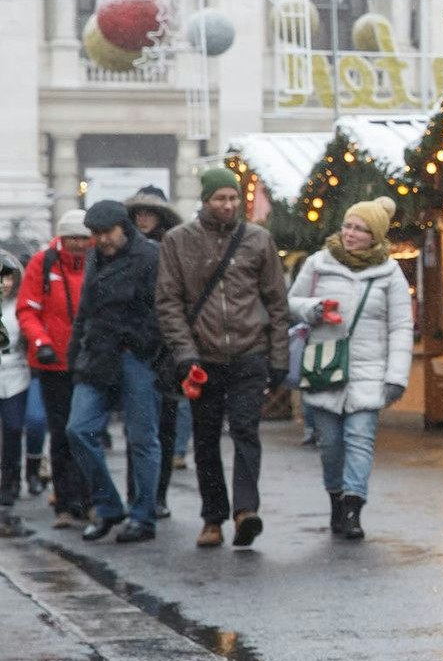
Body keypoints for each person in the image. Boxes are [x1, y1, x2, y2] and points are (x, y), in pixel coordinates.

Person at [156, 167, 292, 550]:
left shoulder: (258, 240)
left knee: (247, 430)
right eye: (221, 199)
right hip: (203, 356)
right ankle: (212, 517)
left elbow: (276, 303)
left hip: (250, 352)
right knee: (206, 438)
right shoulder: (177, 241)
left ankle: (245, 511)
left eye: (233, 198)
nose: (229, 205)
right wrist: (185, 355)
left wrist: (278, 357)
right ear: (205, 200)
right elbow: (168, 303)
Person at [287, 197, 413, 541]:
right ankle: (335, 500)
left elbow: (401, 326)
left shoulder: (390, 273)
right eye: (348, 226)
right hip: (325, 366)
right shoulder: (318, 263)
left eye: (360, 229)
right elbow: (291, 304)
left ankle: (354, 507)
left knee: (360, 440)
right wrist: (314, 309)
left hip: (369, 373)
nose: (350, 234)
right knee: (330, 446)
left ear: (375, 236)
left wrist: (395, 377)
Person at [64, 201, 168, 544]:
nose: (101, 239)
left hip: (135, 356)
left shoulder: (150, 257)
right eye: (96, 234)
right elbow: (85, 310)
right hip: (97, 355)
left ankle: (143, 516)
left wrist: (142, 344)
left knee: (142, 440)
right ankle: (109, 505)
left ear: (124, 228)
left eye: (106, 232)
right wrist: (74, 352)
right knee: (78, 429)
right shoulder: (96, 256)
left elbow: (163, 310)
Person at [19, 210, 91, 529]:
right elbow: (28, 309)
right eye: (73, 237)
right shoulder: (42, 263)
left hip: (88, 363)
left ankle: (89, 499)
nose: (78, 244)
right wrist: (40, 342)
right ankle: (65, 502)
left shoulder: (97, 263)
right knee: (61, 432)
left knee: (87, 431)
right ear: (62, 238)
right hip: (53, 364)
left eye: (83, 238)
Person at [125, 185, 184, 518]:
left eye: (151, 213)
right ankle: (139, 495)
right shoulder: (124, 251)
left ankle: (157, 495)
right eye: (139, 213)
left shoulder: (173, 249)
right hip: (137, 346)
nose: (144, 218)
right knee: (140, 426)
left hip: (169, 347)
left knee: (166, 425)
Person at [0, 253, 31, 508]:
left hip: (16, 373)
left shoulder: (21, 306)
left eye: (7, 277)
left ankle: (11, 482)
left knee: (12, 429)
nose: (3, 283)